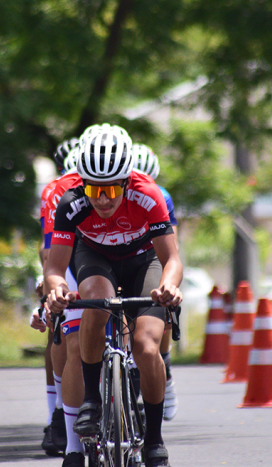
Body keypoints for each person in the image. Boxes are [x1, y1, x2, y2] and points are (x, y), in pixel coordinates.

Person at [45, 127, 183, 467]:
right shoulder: (71, 203)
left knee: (147, 346)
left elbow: (172, 260)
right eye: (94, 189)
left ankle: (153, 440)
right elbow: (55, 268)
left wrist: (168, 285)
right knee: (96, 300)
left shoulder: (148, 196)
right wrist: (57, 289)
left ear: (125, 182)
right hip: (97, 258)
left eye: (110, 190)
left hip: (143, 262)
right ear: (83, 183)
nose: (102, 199)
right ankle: (91, 397)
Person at [33, 138, 79, 456]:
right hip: (66, 260)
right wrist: (49, 287)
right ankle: (60, 413)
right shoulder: (55, 191)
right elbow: (47, 247)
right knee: (61, 329)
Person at [130, 143, 179, 421]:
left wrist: (169, 284)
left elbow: (172, 246)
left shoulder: (160, 196)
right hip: (120, 258)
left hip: (152, 256)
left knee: (164, 312)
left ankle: (165, 364)